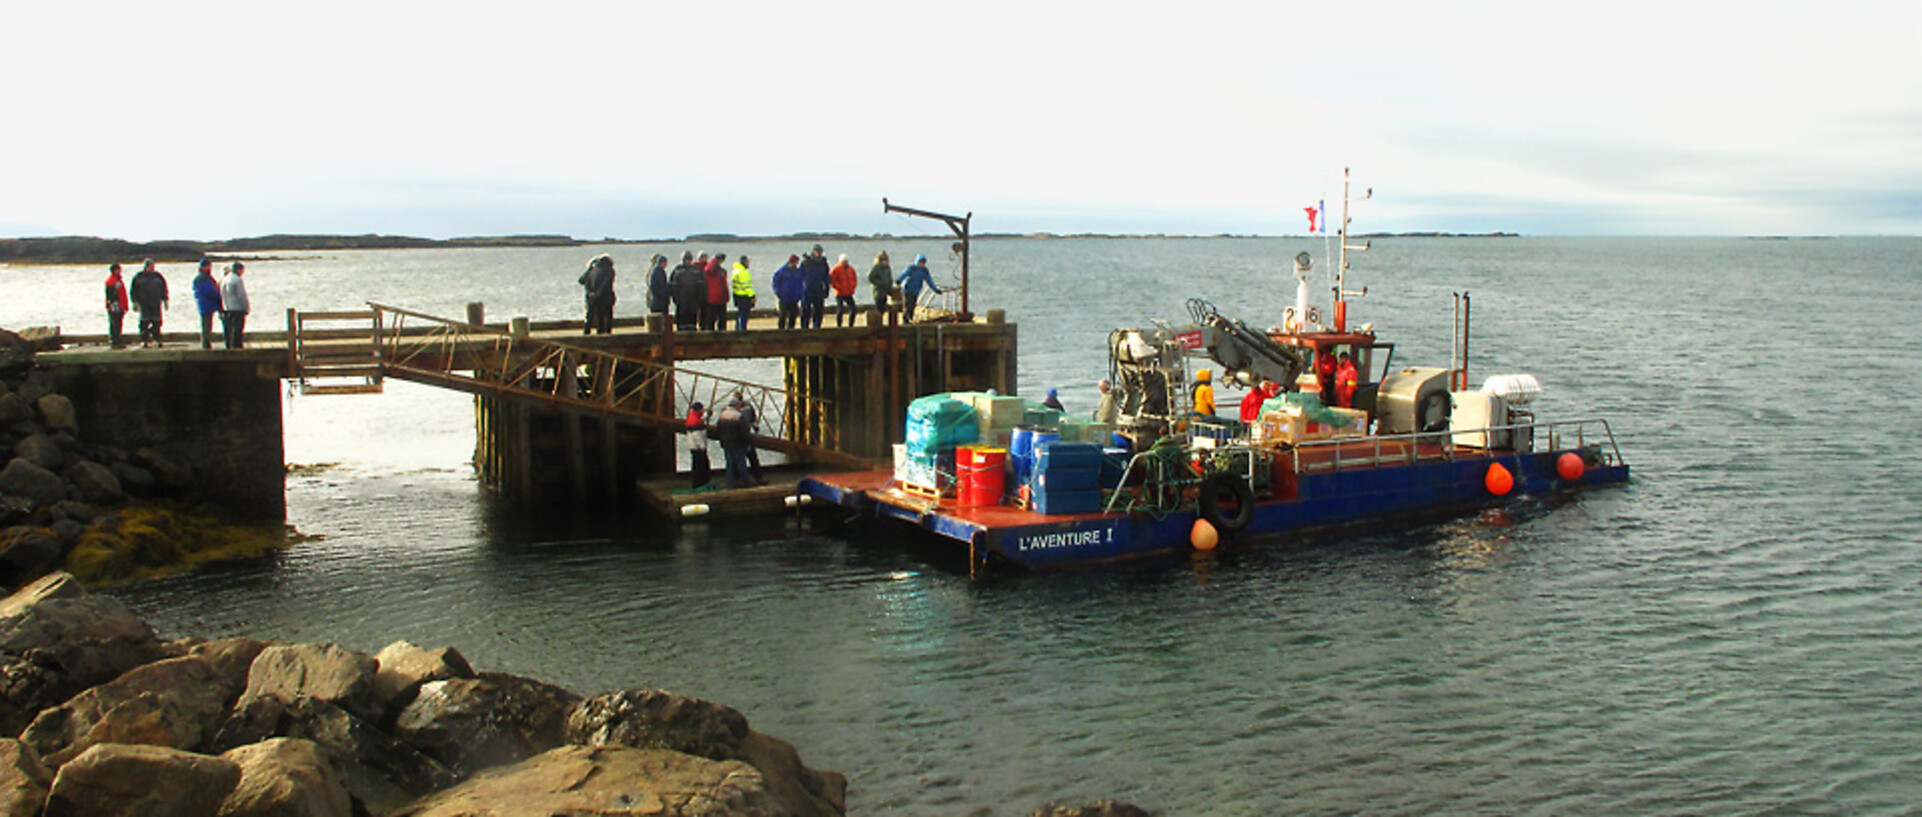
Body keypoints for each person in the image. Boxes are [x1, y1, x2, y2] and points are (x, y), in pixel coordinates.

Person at [129, 258, 168, 347]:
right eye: (151, 266)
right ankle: (144, 340)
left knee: (157, 322)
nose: (152, 268)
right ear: (146, 266)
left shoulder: (158, 276)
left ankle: (157, 339)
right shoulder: (139, 277)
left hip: (156, 303)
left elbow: (164, 289)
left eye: (153, 266)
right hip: (144, 304)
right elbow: (133, 291)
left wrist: (165, 300)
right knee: (144, 323)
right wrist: (134, 302)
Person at [712, 398, 750, 489]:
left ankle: (730, 484)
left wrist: (722, 440)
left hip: (726, 443)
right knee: (741, 463)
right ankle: (745, 483)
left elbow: (718, 430)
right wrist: (747, 443)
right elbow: (744, 431)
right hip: (738, 444)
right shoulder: (738, 416)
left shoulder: (722, 415)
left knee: (729, 464)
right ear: (737, 405)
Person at [577, 254, 616, 334]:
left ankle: (587, 332)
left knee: (590, 316)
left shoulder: (592, 270)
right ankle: (605, 333)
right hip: (605, 297)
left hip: (591, 298)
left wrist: (588, 269)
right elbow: (606, 283)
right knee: (605, 317)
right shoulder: (609, 270)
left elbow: (581, 281)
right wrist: (598, 293)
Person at [895, 254, 941, 323]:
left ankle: (910, 318)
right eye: (920, 262)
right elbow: (904, 274)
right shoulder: (912, 268)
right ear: (917, 261)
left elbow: (929, 280)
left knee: (913, 305)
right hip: (907, 289)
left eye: (923, 263)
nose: (922, 264)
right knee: (908, 305)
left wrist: (935, 289)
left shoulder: (924, 271)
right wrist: (899, 280)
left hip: (916, 290)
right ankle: (905, 320)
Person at [669, 251, 704, 331]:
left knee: (692, 317)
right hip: (681, 300)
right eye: (686, 260)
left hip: (693, 299)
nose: (688, 261)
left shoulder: (695, 271)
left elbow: (700, 285)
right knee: (681, 318)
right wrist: (675, 298)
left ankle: (692, 330)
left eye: (689, 260)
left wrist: (699, 298)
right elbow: (673, 286)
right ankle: (681, 329)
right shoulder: (677, 271)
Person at [736, 394, 766, 485]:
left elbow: (753, 419)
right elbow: (753, 419)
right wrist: (756, 428)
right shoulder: (748, 407)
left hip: (741, 436)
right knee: (751, 458)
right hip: (745, 435)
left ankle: (741, 479)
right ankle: (757, 478)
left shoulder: (733, 408)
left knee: (742, 459)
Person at [218, 261, 250, 349]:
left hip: (227, 307)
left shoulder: (224, 279)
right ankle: (237, 347)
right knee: (237, 330)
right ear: (239, 270)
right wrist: (246, 307)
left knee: (229, 329)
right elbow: (241, 295)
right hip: (237, 308)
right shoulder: (237, 280)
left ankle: (229, 345)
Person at [192, 258, 221, 349]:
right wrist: (219, 296)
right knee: (206, 325)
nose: (210, 268)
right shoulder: (202, 278)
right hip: (206, 304)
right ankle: (205, 343)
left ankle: (206, 342)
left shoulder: (205, 277)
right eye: (208, 266)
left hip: (206, 304)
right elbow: (209, 291)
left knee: (207, 324)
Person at [799, 245, 830, 329]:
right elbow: (799, 276)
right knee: (806, 309)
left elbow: (826, 276)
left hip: (819, 288)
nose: (819, 254)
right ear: (813, 252)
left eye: (820, 252)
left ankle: (817, 327)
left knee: (819, 309)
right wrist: (799, 289)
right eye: (817, 252)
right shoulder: (806, 262)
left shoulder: (823, 263)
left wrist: (827, 288)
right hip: (807, 288)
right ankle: (804, 327)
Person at [684, 401, 711, 489]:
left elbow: (701, 417)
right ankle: (700, 483)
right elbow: (697, 436)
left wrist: (707, 415)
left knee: (696, 465)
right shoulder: (695, 421)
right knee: (701, 465)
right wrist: (702, 447)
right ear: (699, 409)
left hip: (693, 446)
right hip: (697, 447)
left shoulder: (692, 417)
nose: (703, 410)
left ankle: (697, 483)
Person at [772, 254, 803, 329]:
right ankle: (780, 330)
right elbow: (775, 282)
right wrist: (777, 292)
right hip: (784, 297)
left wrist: (800, 294)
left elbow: (801, 283)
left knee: (793, 316)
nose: (796, 264)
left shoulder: (798, 272)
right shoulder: (782, 271)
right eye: (795, 262)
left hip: (794, 298)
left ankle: (791, 330)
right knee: (783, 315)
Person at [701, 253, 730, 331]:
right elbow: (708, 270)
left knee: (722, 319)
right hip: (712, 299)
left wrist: (726, 296)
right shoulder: (710, 270)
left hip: (721, 298)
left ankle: (722, 334)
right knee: (711, 319)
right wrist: (714, 260)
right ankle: (711, 335)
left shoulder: (722, 271)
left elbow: (724, 285)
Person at [103, 263, 129, 349]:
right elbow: (110, 296)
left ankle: (117, 340)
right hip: (115, 306)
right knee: (115, 324)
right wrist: (113, 305)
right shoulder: (111, 281)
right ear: (115, 271)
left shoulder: (118, 280)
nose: (120, 271)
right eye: (119, 270)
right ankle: (115, 342)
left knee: (118, 324)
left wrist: (124, 306)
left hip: (119, 305)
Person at [829, 253, 858, 326]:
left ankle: (851, 324)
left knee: (853, 309)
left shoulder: (851, 269)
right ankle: (839, 325)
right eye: (844, 261)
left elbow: (854, 279)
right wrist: (838, 287)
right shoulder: (836, 269)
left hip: (849, 292)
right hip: (839, 293)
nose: (845, 262)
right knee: (840, 310)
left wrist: (853, 287)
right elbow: (831, 280)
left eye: (846, 261)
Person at [730, 256, 756, 331]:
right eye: (748, 262)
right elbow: (747, 286)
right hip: (744, 296)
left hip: (737, 295)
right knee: (744, 315)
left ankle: (738, 329)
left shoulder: (736, 270)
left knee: (740, 314)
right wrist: (752, 296)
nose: (749, 264)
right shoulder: (743, 272)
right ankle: (742, 330)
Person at [645, 254, 671, 321]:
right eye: (665, 262)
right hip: (658, 301)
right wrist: (664, 293)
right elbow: (655, 287)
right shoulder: (657, 272)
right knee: (660, 319)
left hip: (658, 300)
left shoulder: (658, 271)